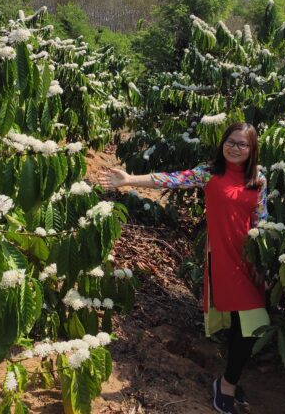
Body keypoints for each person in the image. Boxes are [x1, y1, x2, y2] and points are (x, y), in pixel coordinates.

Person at [98, 122, 269, 414]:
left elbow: (262, 221)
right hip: (223, 260)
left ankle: (229, 377)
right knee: (247, 324)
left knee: (249, 326)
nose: (235, 148)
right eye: (231, 141)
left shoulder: (259, 180)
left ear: (252, 150)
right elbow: (171, 179)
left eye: (243, 144)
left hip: (249, 260)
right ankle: (228, 383)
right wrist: (128, 179)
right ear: (222, 143)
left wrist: (263, 264)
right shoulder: (209, 173)